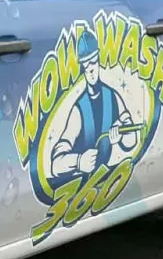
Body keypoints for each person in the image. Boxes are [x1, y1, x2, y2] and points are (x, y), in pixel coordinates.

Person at [48, 31, 140, 179]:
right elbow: (55, 165)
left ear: (99, 61)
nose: (90, 69)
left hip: (107, 179)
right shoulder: (79, 110)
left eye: (93, 62)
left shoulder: (113, 97)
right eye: (86, 65)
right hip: (80, 185)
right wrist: (78, 161)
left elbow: (132, 141)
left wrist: (121, 134)